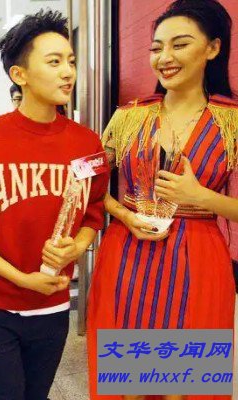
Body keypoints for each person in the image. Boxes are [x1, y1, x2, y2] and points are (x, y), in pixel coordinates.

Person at [0, 10, 110, 400]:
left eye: (70, 61)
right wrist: (20, 278)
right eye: (54, 62)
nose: (67, 72)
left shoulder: (86, 143)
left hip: (53, 303)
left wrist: (78, 246)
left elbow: (93, 211)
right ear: (20, 74)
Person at [87, 1, 238, 399]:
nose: (165, 57)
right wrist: (123, 214)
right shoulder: (129, 116)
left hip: (199, 258)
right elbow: (87, 184)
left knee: (185, 383)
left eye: (180, 44)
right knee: (129, 382)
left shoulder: (232, 121)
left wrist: (200, 196)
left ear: (213, 48)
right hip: (128, 254)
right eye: (157, 48)